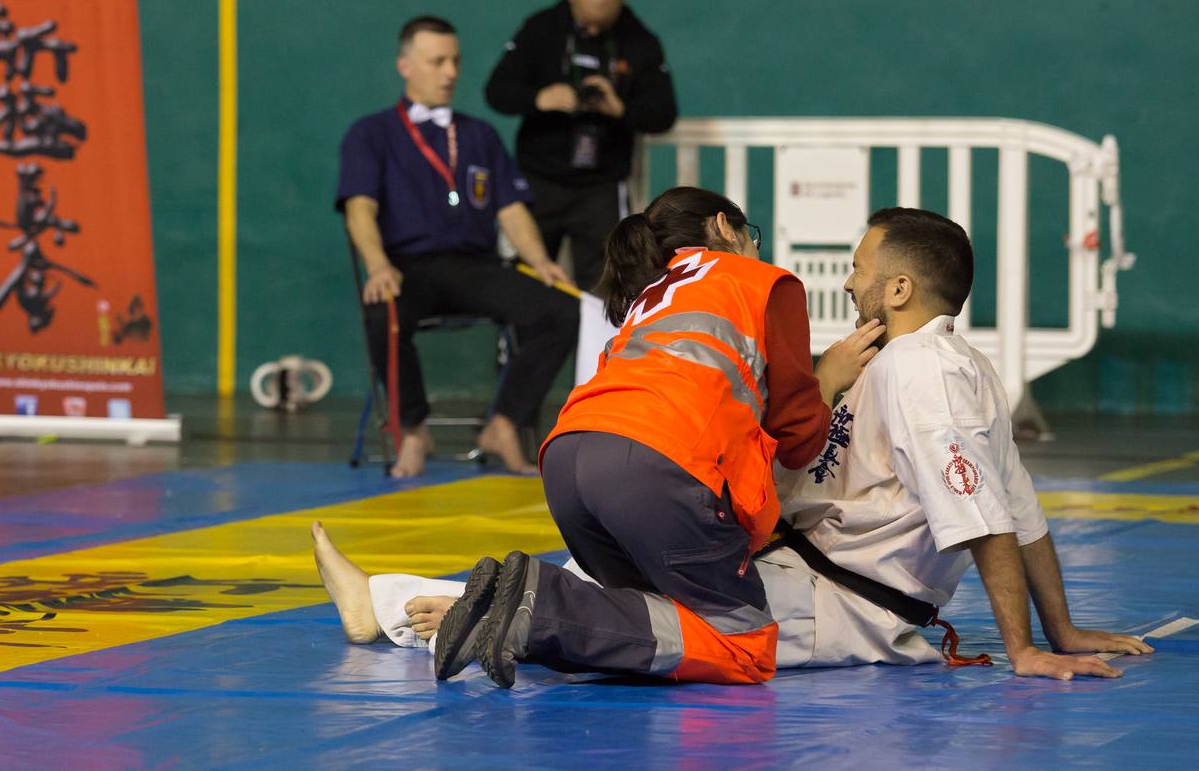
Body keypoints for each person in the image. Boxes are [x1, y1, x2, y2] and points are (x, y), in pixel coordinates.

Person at [316, 208, 1152, 682]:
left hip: (839, 605)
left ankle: (398, 606)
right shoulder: (904, 365)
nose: (850, 281)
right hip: (797, 568)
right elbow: (1016, 507)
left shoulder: (928, 376)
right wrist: (1061, 628)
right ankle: (406, 606)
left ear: (900, 288)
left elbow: (990, 517)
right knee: (657, 611)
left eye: (862, 268)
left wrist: (1029, 647)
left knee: (649, 619)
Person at [431, 187, 876, 687]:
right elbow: (796, 439)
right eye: (750, 235)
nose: (755, 248)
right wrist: (828, 380)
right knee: (744, 647)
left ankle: (516, 613)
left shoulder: (650, 296)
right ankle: (540, 605)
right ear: (724, 227)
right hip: (653, 467)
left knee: (652, 615)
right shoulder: (762, 282)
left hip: (567, 459)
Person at [337, 16, 578, 478]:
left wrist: (542, 262)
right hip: (407, 268)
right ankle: (412, 428)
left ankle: (505, 423)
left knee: (559, 309)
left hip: (476, 267)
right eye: (437, 62)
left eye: (455, 61)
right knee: (382, 310)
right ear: (405, 66)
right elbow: (359, 209)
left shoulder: (479, 135)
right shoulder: (371, 133)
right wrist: (378, 265)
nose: (450, 73)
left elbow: (510, 210)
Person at [484, 0, 678, 285]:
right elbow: (497, 92)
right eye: (585, 21)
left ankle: (601, 338)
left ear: (620, 5)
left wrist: (620, 109)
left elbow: (663, 113)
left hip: (600, 185)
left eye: (603, 23)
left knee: (608, 283)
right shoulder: (542, 29)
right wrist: (539, 98)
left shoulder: (640, 40)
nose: (592, 31)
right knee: (527, 280)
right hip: (539, 178)